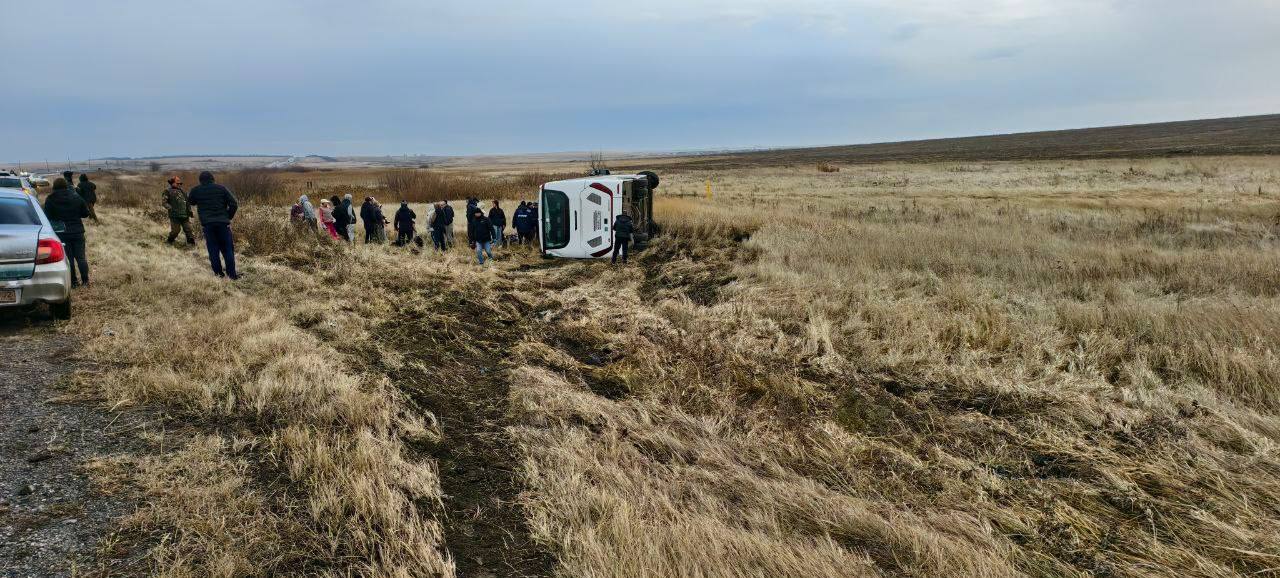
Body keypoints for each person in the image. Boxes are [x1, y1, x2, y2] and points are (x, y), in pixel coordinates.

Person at [187, 171, 240, 279]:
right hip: (223, 224)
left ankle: (218, 274)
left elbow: (190, 202)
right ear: (212, 178)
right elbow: (234, 204)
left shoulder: (196, 190)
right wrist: (228, 217)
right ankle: (232, 275)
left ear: (200, 180)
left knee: (213, 250)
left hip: (208, 225)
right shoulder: (222, 188)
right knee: (227, 249)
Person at [42, 178, 90, 287]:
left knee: (69, 259)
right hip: (77, 232)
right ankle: (85, 281)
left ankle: (73, 282)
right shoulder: (76, 196)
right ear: (66, 186)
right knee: (81, 258)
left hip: (62, 233)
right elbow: (85, 213)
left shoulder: (50, 199)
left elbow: (47, 216)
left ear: (54, 186)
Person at [162, 176, 195, 245]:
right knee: (175, 231)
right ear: (172, 183)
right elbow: (164, 203)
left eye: (180, 184)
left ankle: (191, 245)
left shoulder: (183, 191)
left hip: (185, 215)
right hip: (174, 216)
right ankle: (169, 241)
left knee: (189, 230)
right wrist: (171, 208)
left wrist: (189, 211)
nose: (179, 185)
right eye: (177, 183)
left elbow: (187, 202)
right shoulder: (167, 191)